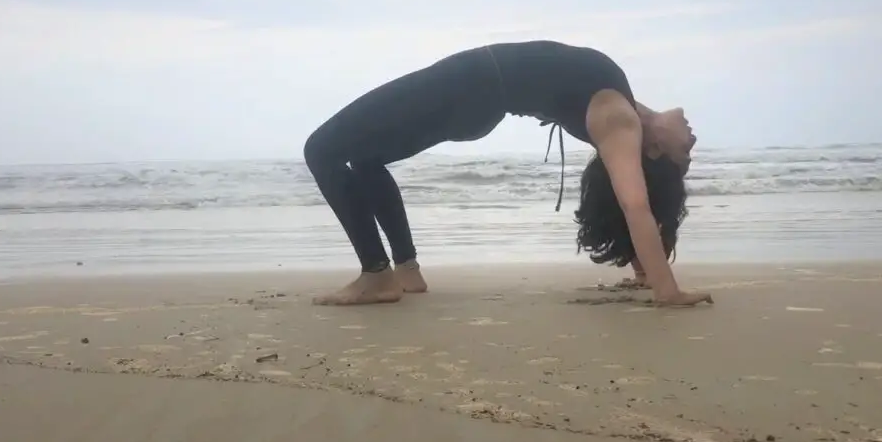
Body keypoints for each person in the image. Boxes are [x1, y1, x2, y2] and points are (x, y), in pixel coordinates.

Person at [302, 40, 712, 307]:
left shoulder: (619, 120)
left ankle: (376, 275)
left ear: (655, 148)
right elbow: (637, 196)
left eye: (686, 151)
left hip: (469, 84)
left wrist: (668, 292)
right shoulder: (625, 113)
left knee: (321, 149)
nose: (692, 136)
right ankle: (406, 271)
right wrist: (644, 270)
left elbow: (635, 203)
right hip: (476, 100)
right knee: (366, 157)